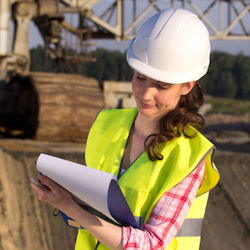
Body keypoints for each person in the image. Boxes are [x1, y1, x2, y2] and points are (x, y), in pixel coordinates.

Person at [31, 8, 220, 250]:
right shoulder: (106, 125)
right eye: (140, 78)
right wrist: (65, 197)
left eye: (161, 85)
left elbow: (152, 244)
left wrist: (69, 206)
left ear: (187, 86)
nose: (146, 94)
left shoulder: (190, 156)